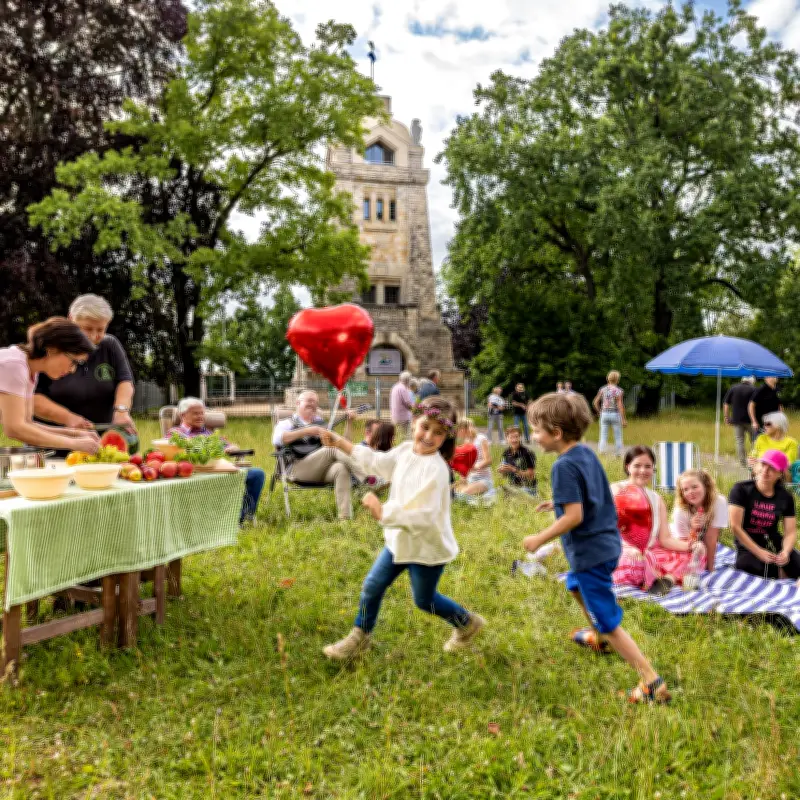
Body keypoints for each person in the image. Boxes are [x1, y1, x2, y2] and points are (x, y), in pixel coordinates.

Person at [524, 393, 670, 703]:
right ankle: (601, 640)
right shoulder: (586, 454)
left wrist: (539, 538)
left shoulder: (562, 466)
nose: (534, 436)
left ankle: (651, 681)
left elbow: (574, 516)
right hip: (607, 545)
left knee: (608, 618)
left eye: (537, 430)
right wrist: (558, 502)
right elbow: (590, 496)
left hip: (590, 553)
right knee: (575, 587)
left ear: (556, 432)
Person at [319, 396, 485, 660]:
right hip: (398, 541)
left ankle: (467, 623)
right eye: (425, 427)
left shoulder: (437, 470)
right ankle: (359, 638)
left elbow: (425, 516)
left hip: (426, 547)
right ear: (414, 423)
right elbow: (378, 462)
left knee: (425, 600)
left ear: (447, 437)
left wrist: (384, 511)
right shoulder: (406, 450)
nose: (429, 436)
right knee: (372, 586)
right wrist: (341, 443)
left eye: (438, 432)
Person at [34, 295, 137, 435]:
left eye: (101, 330)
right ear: (71, 319)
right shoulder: (47, 348)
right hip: (50, 443)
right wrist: (68, 418)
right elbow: (31, 398)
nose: (94, 336)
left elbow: (124, 381)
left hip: (98, 444)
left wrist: (121, 411)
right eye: (87, 328)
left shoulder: (110, 345)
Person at [0, 318, 100, 453]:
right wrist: (73, 443)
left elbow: (27, 424)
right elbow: (14, 428)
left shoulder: (29, 371)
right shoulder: (14, 366)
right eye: (74, 362)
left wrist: (74, 434)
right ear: (52, 349)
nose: (73, 370)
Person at [169, 397, 265, 523]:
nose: (200, 416)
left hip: (218, 470)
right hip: (194, 473)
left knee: (257, 474)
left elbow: (230, 446)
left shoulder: (208, 432)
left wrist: (231, 447)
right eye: (196, 413)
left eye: (202, 413)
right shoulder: (175, 433)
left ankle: (241, 518)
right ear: (183, 415)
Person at [271, 390, 357, 520]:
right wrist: (307, 431)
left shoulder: (321, 424)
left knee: (341, 467)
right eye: (309, 401)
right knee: (331, 450)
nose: (313, 404)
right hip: (297, 469)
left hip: (320, 471)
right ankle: (368, 477)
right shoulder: (286, 423)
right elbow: (277, 439)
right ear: (298, 403)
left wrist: (349, 422)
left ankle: (344, 519)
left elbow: (345, 444)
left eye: (316, 402)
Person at [729, 449, 800, 580]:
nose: (765, 470)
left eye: (772, 468)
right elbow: (735, 527)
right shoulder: (741, 489)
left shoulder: (786, 497)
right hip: (748, 543)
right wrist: (759, 552)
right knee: (746, 564)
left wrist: (785, 551)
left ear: (780, 473)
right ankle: (783, 574)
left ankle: (783, 572)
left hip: (773, 542)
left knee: (796, 561)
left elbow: (790, 532)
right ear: (757, 466)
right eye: (763, 464)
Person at [609, 446, 664, 589]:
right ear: (628, 467)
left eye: (648, 466)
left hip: (647, 549)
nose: (643, 471)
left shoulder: (656, 498)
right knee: (629, 559)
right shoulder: (617, 490)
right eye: (637, 465)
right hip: (616, 545)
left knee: (685, 557)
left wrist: (691, 546)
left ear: (653, 469)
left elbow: (666, 538)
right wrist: (628, 547)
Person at [668, 469, 728, 575]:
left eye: (695, 487)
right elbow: (683, 546)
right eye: (685, 490)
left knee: (700, 563)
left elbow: (711, 537)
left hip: (699, 545)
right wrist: (693, 529)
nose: (690, 492)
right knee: (685, 565)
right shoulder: (681, 511)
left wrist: (710, 569)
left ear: (706, 486)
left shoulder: (719, 502)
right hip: (678, 541)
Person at [748, 411, 797, 481]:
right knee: (759, 466)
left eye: (767, 424)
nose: (764, 426)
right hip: (760, 468)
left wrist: (766, 462)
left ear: (778, 425)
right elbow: (753, 455)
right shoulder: (761, 438)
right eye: (764, 424)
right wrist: (751, 460)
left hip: (780, 472)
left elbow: (787, 463)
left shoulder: (791, 442)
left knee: (781, 470)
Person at [452, 418, 494, 499]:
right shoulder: (466, 442)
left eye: (458, 429)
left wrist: (475, 467)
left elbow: (488, 460)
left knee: (462, 494)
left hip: (483, 480)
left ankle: (489, 493)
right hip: (470, 479)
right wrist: (463, 478)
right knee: (453, 493)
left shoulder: (481, 438)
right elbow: (466, 464)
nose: (456, 432)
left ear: (464, 429)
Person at [723, 377, 756, 467]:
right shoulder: (754, 389)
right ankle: (754, 462)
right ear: (752, 381)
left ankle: (742, 462)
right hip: (751, 420)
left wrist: (726, 417)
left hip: (736, 420)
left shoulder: (733, 388)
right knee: (754, 441)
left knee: (739, 441)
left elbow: (726, 404)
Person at [593, 371, 626, 455]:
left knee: (603, 435)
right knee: (618, 435)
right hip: (615, 414)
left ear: (608, 378)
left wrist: (600, 412)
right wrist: (623, 419)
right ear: (617, 379)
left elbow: (595, 402)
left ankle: (602, 452)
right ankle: (618, 453)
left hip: (604, 413)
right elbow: (620, 405)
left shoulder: (603, 389)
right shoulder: (618, 391)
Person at [499, 425, 537, 496]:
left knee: (517, 493)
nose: (514, 440)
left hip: (527, 487)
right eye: (511, 437)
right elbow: (504, 476)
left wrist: (514, 470)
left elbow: (531, 475)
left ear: (520, 437)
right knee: (497, 491)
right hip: (513, 487)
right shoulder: (506, 453)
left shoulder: (528, 453)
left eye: (516, 437)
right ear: (507, 439)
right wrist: (502, 471)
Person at [390, 371, 414, 439]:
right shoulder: (403, 388)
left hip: (395, 416)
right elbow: (408, 403)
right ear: (408, 380)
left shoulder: (395, 387)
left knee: (397, 436)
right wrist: (416, 410)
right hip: (403, 417)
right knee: (406, 437)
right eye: (410, 379)